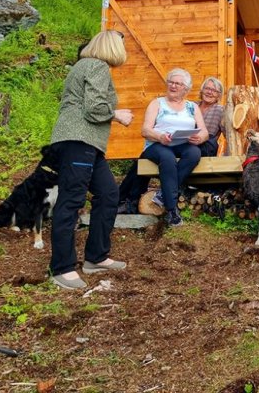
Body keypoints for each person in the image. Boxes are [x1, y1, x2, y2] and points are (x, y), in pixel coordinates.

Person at [49, 30, 134, 290]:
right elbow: (95, 108)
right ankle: (61, 268)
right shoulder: (97, 66)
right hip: (78, 142)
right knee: (71, 200)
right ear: (112, 47)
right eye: (121, 45)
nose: (124, 50)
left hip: (88, 145)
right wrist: (117, 114)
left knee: (108, 194)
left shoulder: (86, 65)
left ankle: (96, 257)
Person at [139, 68, 209, 227]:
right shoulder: (157, 103)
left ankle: (163, 194)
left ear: (186, 89)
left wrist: (199, 138)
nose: (173, 86)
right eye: (171, 82)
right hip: (158, 144)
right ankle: (171, 211)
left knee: (194, 153)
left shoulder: (192, 107)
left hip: (182, 143)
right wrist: (160, 137)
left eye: (178, 83)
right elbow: (145, 130)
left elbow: (204, 131)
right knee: (167, 158)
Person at [195, 77, 225, 157]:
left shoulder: (221, 110)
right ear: (202, 90)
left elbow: (228, 134)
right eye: (207, 88)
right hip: (185, 142)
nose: (209, 92)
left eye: (214, 91)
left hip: (205, 147)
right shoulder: (192, 105)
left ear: (219, 95)